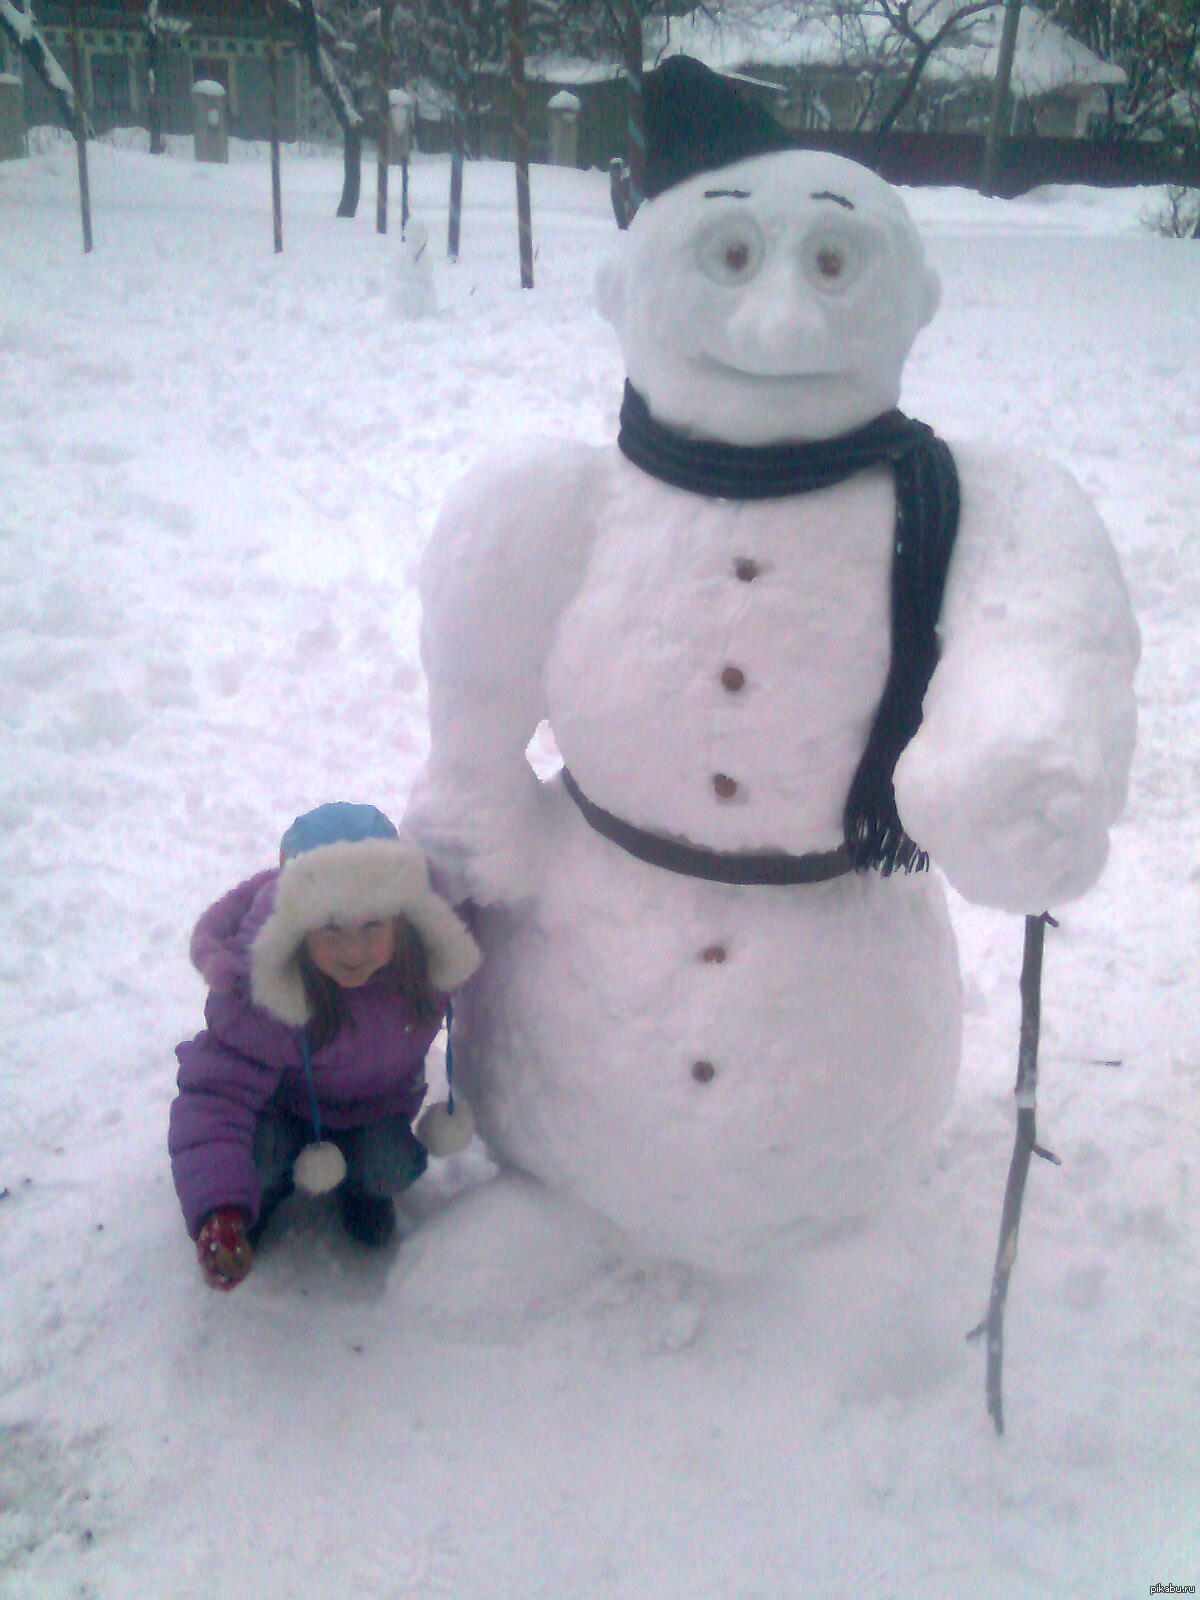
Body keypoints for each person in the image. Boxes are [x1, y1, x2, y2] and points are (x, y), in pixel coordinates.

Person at [169, 802, 481, 1291]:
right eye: (330, 928)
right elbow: (216, 1097)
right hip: (281, 1112)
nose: (352, 951)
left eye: (372, 926)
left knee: (391, 1166)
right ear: (296, 925)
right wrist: (219, 1207)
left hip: (375, 1113)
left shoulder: (423, 966)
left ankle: (361, 1189)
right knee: (263, 1154)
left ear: (401, 917)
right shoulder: (268, 990)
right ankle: (253, 1194)